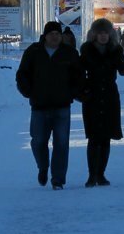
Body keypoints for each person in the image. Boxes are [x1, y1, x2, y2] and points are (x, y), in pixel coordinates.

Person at [16, 21, 82, 189]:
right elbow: (22, 74)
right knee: (38, 141)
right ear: (45, 36)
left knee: (61, 143)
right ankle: (43, 166)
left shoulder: (70, 53)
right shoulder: (34, 52)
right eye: (51, 34)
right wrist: (29, 92)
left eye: (57, 34)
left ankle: (58, 179)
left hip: (62, 106)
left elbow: (78, 77)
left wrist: (74, 92)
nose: (55, 37)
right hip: (40, 106)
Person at [79, 18, 124, 187]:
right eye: (100, 33)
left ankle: (101, 174)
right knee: (93, 137)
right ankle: (91, 175)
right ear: (94, 35)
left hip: (109, 97)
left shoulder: (114, 50)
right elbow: (79, 72)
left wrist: (119, 54)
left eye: (105, 33)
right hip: (92, 97)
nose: (103, 36)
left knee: (106, 137)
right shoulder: (87, 50)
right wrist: (84, 90)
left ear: (110, 35)